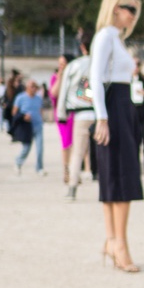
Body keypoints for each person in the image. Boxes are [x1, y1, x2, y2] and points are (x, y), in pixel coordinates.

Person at [90, 0, 143, 272]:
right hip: (115, 107)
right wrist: (102, 117)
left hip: (120, 106)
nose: (133, 15)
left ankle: (113, 240)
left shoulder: (114, 38)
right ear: (114, 8)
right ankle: (118, 242)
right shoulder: (106, 36)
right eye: (129, 9)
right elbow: (95, 79)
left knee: (115, 175)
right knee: (121, 175)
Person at [58, 30, 96, 202]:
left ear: (82, 47)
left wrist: (62, 113)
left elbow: (65, 90)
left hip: (81, 113)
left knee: (77, 152)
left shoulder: (74, 66)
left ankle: (72, 187)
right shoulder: (102, 64)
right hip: (100, 113)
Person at [12, 79, 47, 176]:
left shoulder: (38, 98)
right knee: (26, 148)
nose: (34, 89)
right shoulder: (20, 98)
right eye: (32, 86)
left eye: (35, 87)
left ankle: (39, 167)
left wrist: (42, 119)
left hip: (38, 125)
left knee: (40, 148)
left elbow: (40, 110)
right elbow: (14, 112)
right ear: (27, 87)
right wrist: (24, 116)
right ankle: (18, 162)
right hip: (26, 126)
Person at [49, 54, 75, 183]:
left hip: (76, 112)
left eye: (63, 64)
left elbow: (85, 95)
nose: (60, 66)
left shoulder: (77, 75)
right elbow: (53, 93)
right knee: (66, 143)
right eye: (59, 64)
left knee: (77, 144)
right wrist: (60, 78)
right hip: (62, 114)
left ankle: (76, 170)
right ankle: (67, 171)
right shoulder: (55, 77)